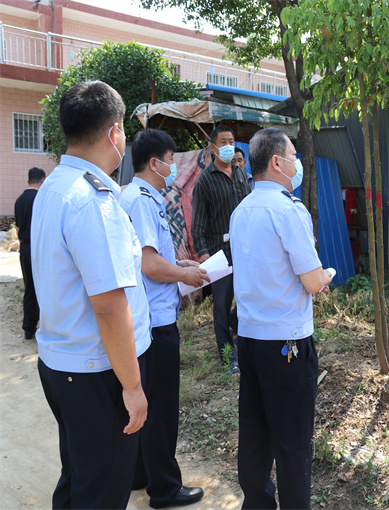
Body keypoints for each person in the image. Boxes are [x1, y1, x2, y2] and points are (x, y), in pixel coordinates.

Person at [31, 80, 150, 509]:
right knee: (101, 490)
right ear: (115, 132)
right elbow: (109, 307)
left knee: (80, 476)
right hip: (96, 372)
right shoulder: (92, 201)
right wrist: (132, 387)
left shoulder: (54, 187)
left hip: (61, 362)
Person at [230, 128, 333, 509]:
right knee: (293, 443)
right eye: (293, 155)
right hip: (287, 342)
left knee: (254, 435)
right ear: (277, 162)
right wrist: (327, 275)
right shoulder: (289, 210)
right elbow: (312, 280)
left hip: (249, 339)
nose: (297, 163)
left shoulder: (241, 211)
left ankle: (257, 503)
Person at [120, 129, 209, 509]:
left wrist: (181, 265)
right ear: (155, 163)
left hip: (148, 318)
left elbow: (157, 259)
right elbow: (150, 264)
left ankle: (141, 474)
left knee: (149, 403)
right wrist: (183, 274)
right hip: (156, 323)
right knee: (161, 408)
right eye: (171, 160)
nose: (173, 167)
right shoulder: (141, 200)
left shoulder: (137, 196)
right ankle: (165, 489)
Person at [192, 125, 250, 375]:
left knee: (247, 299)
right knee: (221, 308)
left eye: (231, 141)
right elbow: (197, 225)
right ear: (213, 147)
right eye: (223, 142)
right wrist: (205, 256)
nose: (228, 146)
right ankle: (229, 358)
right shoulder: (204, 181)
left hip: (244, 252)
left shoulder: (241, 175)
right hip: (219, 255)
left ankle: (244, 347)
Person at [14, 166, 46, 340]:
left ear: (28, 181)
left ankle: (28, 328)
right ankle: (45, 327)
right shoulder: (41, 198)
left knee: (29, 287)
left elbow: (18, 228)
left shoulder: (19, 200)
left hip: (24, 247)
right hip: (38, 247)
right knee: (42, 287)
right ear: (43, 181)